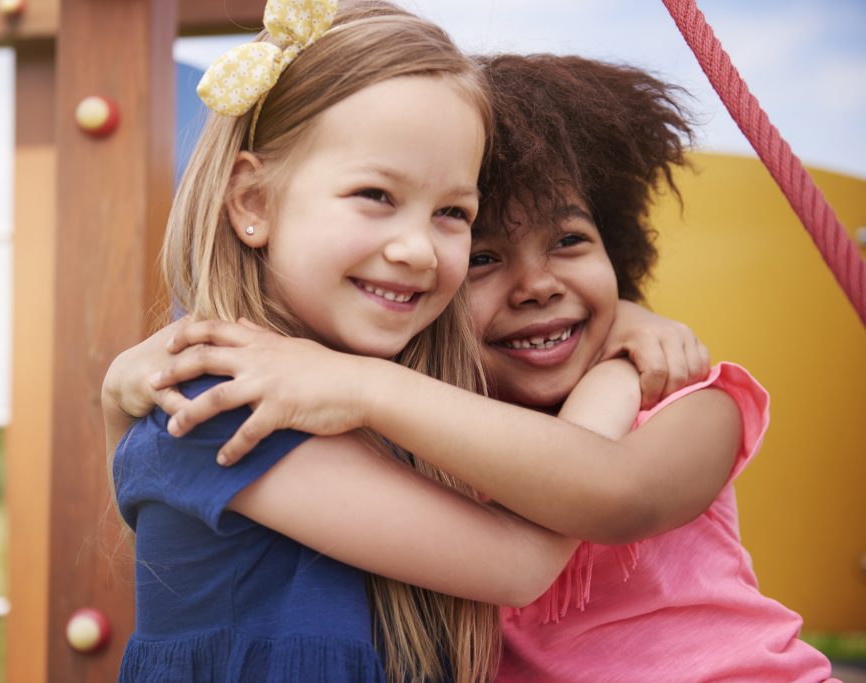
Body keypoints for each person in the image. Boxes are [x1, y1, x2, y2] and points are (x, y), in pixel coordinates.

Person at [108, 54, 837, 681]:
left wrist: (618, 357)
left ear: (618, 251)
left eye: (571, 241)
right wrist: (118, 394)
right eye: (484, 256)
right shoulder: (411, 435)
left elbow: (624, 493)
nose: (537, 284)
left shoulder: (686, 395)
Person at [106, 2, 641, 681]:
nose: (418, 249)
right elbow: (522, 562)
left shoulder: (374, 403)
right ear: (254, 202)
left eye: (453, 212)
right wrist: (617, 369)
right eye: (376, 195)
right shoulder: (222, 400)